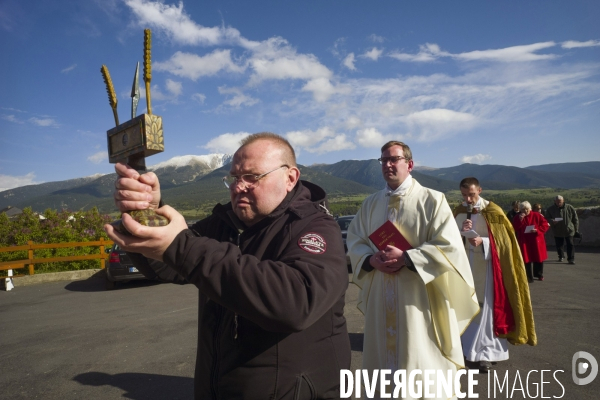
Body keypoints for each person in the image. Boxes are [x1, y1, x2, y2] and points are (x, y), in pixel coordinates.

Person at [104, 133, 351, 399]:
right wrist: (150, 213)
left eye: (252, 177)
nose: (238, 187)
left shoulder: (316, 227)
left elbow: (295, 304)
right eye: (234, 178)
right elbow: (166, 266)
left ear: (290, 178)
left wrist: (181, 246)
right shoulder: (223, 223)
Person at [346, 141, 479, 398]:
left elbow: (449, 246)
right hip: (381, 295)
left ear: (409, 164)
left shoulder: (433, 200)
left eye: (394, 159)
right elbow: (355, 240)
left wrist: (408, 258)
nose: (387, 165)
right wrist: (370, 260)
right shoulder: (370, 204)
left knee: (420, 355)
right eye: (383, 160)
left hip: (419, 298)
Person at [453, 177, 537, 374]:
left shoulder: (494, 213)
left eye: (471, 194)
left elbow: (505, 244)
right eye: (464, 195)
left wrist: (483, 242)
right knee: (467, 307)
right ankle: (467, 350)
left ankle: (487, 354)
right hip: (466, 267)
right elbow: (448, 242)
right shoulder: (458, 212)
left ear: (479, 190)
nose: (468, 199)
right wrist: (460, 233)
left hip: (489, 269)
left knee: (487, 311)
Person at [513, 201, 549, 282]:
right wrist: (520, 220)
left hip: (536, 240)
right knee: (526, 259)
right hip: (525, 241)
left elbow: (545, 225)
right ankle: (529, 277)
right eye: (523, 209)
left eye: (527, 209)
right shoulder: (517, 217)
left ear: (530, 209)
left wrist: (537, 230)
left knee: (538, 258)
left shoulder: (537, 215)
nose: (525, 211)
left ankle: (539, 274)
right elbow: (515, 228)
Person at [545, 195, 579, 264]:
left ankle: (571, 259)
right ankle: (561, 256)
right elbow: (547, 218)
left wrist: (576, 229)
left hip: (569, 229)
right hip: (557, 230)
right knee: (559, 245)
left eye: (560, 202)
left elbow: (575, 219)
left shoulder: (569, 207)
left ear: (563, 201)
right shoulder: (550, 209)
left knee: (570, 244)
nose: (559, 203)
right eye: (557, 202)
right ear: (555, 201)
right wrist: (552, 221)